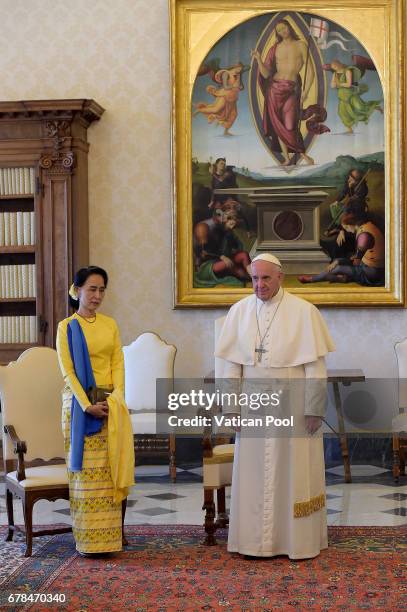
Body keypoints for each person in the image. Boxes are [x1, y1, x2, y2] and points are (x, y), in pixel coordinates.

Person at [215, 253, 335, 559]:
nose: (259, 285)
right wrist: (231, 407)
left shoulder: (304, 312)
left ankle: (296, 542)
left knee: (294, 472)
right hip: (253, 407)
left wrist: (314, 408)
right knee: (254, 474)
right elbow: (230, 366)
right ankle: (253, 541)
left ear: (280, 277)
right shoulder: (239, 312)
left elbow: (315, 367)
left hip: (293, 406)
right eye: (254, 278)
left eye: (266, 278)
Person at [56, 266, 134, 555]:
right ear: (77, 291)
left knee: (107, 473)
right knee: (85, 476)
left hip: (108, 404)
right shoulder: (66, 327)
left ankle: (110, 541)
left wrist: (117, 399)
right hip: (78, 408)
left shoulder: (110, 324)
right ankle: (87, 542)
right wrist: (87, 405)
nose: (97, 295)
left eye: (102, 289)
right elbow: (69, 372)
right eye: (92, 289)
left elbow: (118, 364)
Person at [251, 20, 316, 166]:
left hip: (291, 89)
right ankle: (287, 158)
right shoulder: (275, 48)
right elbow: (266, 74)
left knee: (289, 124)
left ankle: (303, 154)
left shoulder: (301, 45)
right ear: (277, 33)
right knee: (277, 125)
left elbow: (311, 71)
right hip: (274, 89)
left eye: (283, 28)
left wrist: (305, 91)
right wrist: (259, 59)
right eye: (279, 30)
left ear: (289, 27)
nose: (282, 31)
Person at [299, 213, 385, 286]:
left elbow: (356, 262)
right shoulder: (367, 226)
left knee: (337, 268)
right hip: (370, 267)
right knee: (337, 262)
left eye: (346, 228)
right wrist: (339, 261)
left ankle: (311, 279)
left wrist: (340, 263)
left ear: (351, 224)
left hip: (372, 273)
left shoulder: (363, 235)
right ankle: (343, 278)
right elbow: (357, 257)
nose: (347, 230)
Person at [329, 59, 383, 134]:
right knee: (341, 112)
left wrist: (339, 84)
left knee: (360, 107)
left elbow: (348, 84)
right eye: (333, 67)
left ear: (338, 64)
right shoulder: (334, 74)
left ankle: (376, 107)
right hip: (342, 96)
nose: (334, 68)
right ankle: (349, 129)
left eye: (334, 66)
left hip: (350, 95)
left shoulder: (347, 71)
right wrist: (334, 85)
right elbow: (332, 85)